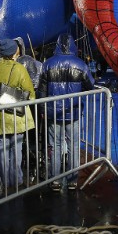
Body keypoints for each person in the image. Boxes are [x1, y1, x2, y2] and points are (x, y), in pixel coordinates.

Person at [37, 33, 95, 191]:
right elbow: (90, 86)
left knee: (55, 146)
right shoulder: (80, 64)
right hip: (74, 112)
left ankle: (55, 180)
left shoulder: (47, 64)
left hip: (52, 113)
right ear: (72, 45)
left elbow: (40, 92)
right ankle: (72, 180)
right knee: (73, 146)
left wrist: (42, 110)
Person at [0, 39, 35, 189]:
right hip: (16, 116)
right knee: (16, 148)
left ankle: (5, 180)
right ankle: (17, 180)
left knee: (2, 149)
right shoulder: (19, 68)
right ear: (14, 51)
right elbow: (30, 94)